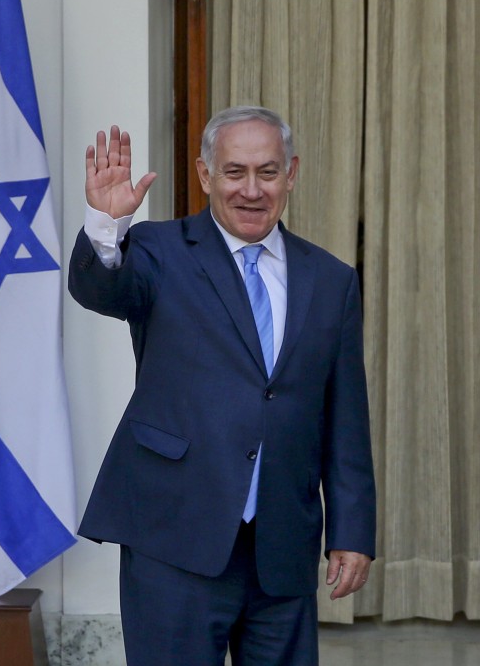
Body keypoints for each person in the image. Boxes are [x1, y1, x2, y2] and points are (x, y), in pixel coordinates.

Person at [68, 105, 376, 665]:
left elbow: (345, 416)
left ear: (292, 173)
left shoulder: (331, 280)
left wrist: (352, 531)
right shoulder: (160, 251)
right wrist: (106, 228)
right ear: (206, 176)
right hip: (174, 538)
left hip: (281, 547)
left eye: (267, 172)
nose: (252, 190)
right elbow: (102, 291)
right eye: (234, 172)